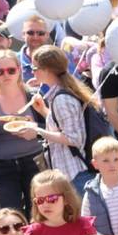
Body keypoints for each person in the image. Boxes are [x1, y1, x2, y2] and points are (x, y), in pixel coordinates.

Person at [0, 49, 46, 215]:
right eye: (0, 71)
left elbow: (51, 125)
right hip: (2, 165)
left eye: (11, 70)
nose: (6, 75)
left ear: (19, 70)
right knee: (11, 214)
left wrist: (36, 131)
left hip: (34, 160)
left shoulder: (32, 96)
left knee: (38, 212)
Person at [26, 45, 95, 193]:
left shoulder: (61, 98)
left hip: (75, 174)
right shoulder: (60, 94)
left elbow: (73, 138)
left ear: (47, 70)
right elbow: (63, 125)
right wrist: (44, 111)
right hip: (71, 174)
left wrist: (38, 131)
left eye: (35, 67)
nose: (33, 71)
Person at [81, 137, 118, 235]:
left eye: (116, 159)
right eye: (106, 161)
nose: (112, 164)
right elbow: (87, 223)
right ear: (95, 164)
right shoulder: (91, 192)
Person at [18, 15, 52, 83]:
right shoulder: (14, 61)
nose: (35, 37)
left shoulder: (57, 60)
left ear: (47, 35)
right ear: (23, 34)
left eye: (41, 33)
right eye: (30, 33)